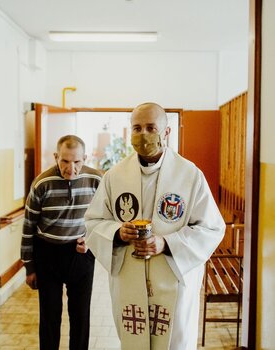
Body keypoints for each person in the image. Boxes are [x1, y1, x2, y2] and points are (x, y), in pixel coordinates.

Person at [84, 103, 225, 350]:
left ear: (166, 132)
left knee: (173, 342)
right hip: (130, 280)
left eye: (151, 127)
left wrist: (167, 242)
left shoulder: (190, 175)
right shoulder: (114, 176)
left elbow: (211, 228)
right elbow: (94, 222)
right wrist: (117, 232)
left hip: (172, 280)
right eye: (137, 128)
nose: (143, 134)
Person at [21, 135, 102, 350]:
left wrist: (92, 241)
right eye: (65, 161)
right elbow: (28, 227)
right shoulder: (42, 183)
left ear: (85, 158)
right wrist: (29, 267)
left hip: (80, 252)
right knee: (49, 316)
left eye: (77, 162)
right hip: (47, 254)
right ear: (56, 157)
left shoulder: (97, 180)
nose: (71, 168)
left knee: (81, 315)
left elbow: (105, 220)